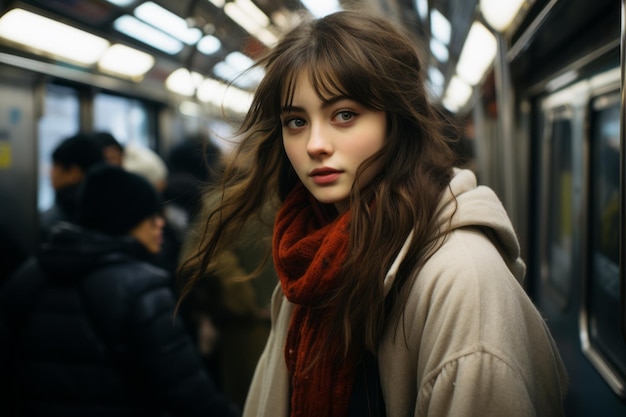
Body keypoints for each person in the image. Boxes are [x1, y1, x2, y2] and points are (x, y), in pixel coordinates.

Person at [179, 10, 569, 417]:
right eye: (295, 121)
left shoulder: (463, 280)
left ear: (395, 121)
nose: (314, 144)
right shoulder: (310, 261)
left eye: (344, 115)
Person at [0, 164, 237, 417]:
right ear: (125, 218)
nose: (160, 224)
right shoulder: (142, 288)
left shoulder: (27, 276)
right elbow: (188, 389)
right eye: (150, 216)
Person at [39, 132, 104, 240]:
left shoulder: (53, 221)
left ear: (74, 173)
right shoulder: (109, 210)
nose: (50, 173)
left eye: (55, 166)